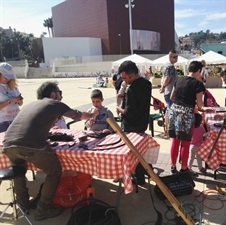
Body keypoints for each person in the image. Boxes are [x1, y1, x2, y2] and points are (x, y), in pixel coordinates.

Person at [2, 81, 99, 221]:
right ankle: (42, 210)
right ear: (53, 94)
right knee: (54, 172)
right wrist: (92, 114)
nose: (61, 96)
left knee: (19, 169)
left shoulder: (31, 105)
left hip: (8, 144)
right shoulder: (54, 104)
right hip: (31, 145)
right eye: (59, 93)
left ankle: (23, 204)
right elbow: (78, 115)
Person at [168, 61, 206, 174]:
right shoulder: (198, 84)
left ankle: (173, 166)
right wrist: (205, 109)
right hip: (187, 115)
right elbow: (200, 105)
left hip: (174, 112)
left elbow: (171, 97)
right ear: (199, 71)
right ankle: (184, 168)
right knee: (185, 142)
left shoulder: (179, 79)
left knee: (175, 141)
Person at [116, 60, 151, 133]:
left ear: (132, 76)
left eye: (124, 78)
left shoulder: (131, 90)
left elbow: (129, 113)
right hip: (143, 123)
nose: (123, 80)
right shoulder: (147, 84)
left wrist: (119, 109)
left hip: (131, 126)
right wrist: (126, 97)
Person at [159, 50, 178, 135]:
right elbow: (167, 78)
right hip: (170, 91)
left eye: (177, 57)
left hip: (168, 91)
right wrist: (163, 87)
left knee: (168, 110)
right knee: (171, 110)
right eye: (174, 57)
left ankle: (167, 129)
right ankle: (170, 130)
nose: (176, 59)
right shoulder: (170, 66)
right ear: (170, 57)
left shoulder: (167, 66)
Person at [0, 62, 23, 132]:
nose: (8, 79)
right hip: (3, 122)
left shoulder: (13, 86)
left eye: (9, 77)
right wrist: (10, 101)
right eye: (5, 77)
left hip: (16, 120)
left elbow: (21, 103)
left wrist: (19, 101)